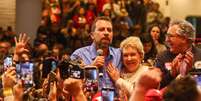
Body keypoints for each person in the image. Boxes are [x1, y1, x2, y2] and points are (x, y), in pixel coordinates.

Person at [70, 16, 121, 92]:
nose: (106, 33)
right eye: (101, 29)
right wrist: (91, 68)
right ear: (92, 35)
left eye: (109, 30)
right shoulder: (78, 55)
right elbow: (70, 84)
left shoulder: (119, 54)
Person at [155, 19, 201, 88]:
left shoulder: (200, 55)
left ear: (184, 39)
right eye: (167, 36)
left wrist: (189, 72)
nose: (166, 40)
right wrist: (171, 74)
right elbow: (157, 85)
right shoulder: (162, 57)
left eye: (170, 36)